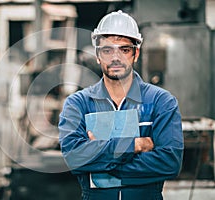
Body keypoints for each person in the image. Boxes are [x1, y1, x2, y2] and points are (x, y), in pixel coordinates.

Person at [58, 10, 184, 200]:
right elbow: (74, 158)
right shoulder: (78, 104)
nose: (115, 58)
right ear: (98, 55)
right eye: (107, 50)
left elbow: (169, 163)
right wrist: (135, 145)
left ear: (136, 53)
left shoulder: (161, 102)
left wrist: (100, 160)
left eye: (124, 49)